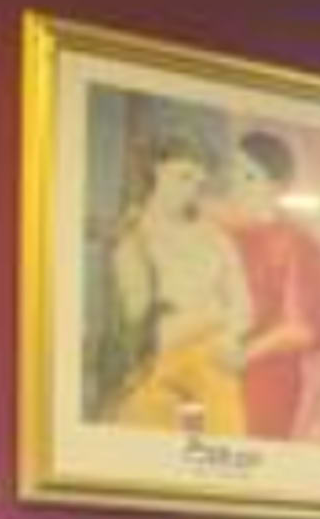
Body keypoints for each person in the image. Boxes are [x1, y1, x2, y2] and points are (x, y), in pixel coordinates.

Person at [106, 131, 252, 437]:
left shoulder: (215, 238)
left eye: (199, 182)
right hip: (160, 369)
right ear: (156, 171)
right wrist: (211, 317)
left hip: (215, 365)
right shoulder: (134, 238)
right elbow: (140, 321)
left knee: (219, 446)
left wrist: (230, 337)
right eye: (183, 176)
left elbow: (243, 304)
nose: (191, 189)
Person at [221, 131, 320, 443]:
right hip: (212, 367)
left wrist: (246, 354)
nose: (236, 183)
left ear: (276, 186)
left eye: (249, 176)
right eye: (233, 172)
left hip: (266, 377)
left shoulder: (298, 244)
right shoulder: (220, 234)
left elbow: (306, 328)